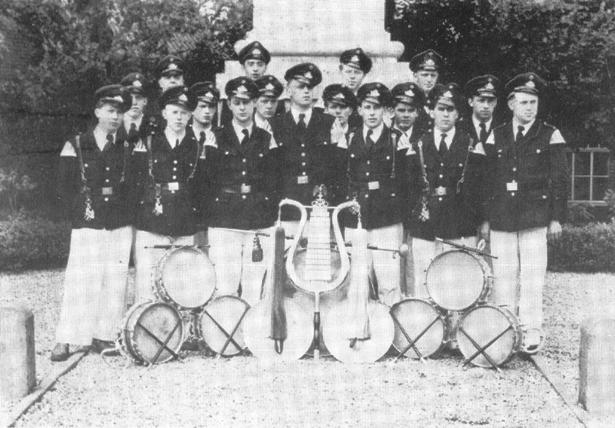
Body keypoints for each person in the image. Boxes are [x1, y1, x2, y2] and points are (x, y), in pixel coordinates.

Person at [482, 72, 568, 353]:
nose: (529, 107)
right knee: (504, 275)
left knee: (532, 276)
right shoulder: (497, 134)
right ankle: (505, 328)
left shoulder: (550, 134)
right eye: (523, 102)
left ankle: (532, 331)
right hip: (502, 217)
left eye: (533, 102)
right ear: (510, 104)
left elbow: (560, 178)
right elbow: (487, 179)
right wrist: (485, 218)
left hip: (535, 217)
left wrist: (556, 218)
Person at [51, 84, 133, 361]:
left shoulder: (127, 146)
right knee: (80, 280)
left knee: (114, 281)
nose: (115, 117)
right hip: (88, 221)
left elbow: (134, 184)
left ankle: (104, 335)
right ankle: (67, 338)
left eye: (120, 112)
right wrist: (81, 212)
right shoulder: (76, 144)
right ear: (98, 111)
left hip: (119, 222)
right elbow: (63, 187)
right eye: (110, 111)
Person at [204, 77, 279, 306]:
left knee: (254, 285)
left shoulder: (266, 137)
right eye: (237, 102)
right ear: (229, 105)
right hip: (225, 219)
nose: (242, 108)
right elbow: (208, 179)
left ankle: (251, 340)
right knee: (226, 284)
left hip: (258, 218)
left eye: (247, 102)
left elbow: (274, 179)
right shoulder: (216, 136)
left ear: (255, 103)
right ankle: (224, 338)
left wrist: (268, 210)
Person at [405, 83, 486, 295]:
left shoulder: (471, 144)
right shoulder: (417, 143)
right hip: (425, 223)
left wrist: (476, 220)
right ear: (431, 111)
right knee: (423, 281)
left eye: (451, 109)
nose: (446, 114)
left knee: (458, 282)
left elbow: (479, 188)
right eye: (441, 108)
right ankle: (426, 326)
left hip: (459, 222)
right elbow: (410, 186)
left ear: (459, 114)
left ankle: (456, 326)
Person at [131, 85, 200, 304]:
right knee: (148, 284)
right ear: (164, 113)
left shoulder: (197, 146)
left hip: (184, 222)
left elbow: (201, 186)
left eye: (184, 113)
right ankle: (144, 333)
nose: (179, 117)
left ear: (190, 116)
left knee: (181, 282)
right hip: (152, 221)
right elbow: (137, 181)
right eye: (174, 112)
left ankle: (180, 334)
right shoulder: (149, 143)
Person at [343, 82, 406, 306]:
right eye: (367, 106)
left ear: (386, 111)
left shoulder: (396, 139)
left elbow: (407, 180)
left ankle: (391, 336)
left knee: (388, 282)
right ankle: (357, 336)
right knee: (356, 280)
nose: (371, 112)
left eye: (377, 107)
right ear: (359, 109)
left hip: (386, 217)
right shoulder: (349, 137)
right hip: (356, 215)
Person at [270, 63, 347, 236]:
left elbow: (340, 168)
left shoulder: (329, 123)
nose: (306, 91)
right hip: (287, 207)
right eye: (300, 86)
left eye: (310, 87)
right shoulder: (276, 125)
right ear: (289, 90)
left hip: (319, 208)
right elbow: (271, 171)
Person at [390, 82, 427, 297]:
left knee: (415, 265)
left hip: (417, 210)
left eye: (410, 110)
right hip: (392, 210)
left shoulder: (424, 137)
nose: (405, 115)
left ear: (418, 112)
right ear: (393, 110)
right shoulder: (385, 135)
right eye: (401, 110)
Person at [187, 81, 220, 246]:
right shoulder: (182, 135)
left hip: (214, 208)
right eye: (202, 106)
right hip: (187, 205)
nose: (207, 111)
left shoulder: (222, 135)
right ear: (192, 108)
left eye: (211, 107)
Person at [144, 55, 185, 127]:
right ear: (160, 82)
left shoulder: (192, 107)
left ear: (183, 81)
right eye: (168, 77)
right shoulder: (150, 110)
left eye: (177, 77)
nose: (172, 81)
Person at [409, 49, 443, 129]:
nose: (429, 79)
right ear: (415, 76)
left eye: (433, 75)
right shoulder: (409, 97)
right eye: (425, 75)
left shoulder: (441, 96)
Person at [463, 74, 501, 145]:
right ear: (470, 102)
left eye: (490, 101)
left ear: (495, 102)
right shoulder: (460, 128)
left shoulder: (503, 128)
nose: (486, 106)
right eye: (481, 100)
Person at [119, 72, 149, 146]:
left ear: (145, 101)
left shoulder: (153, 127)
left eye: (138, 98)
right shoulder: (114, 124)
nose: (134, 102)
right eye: (129, 98)